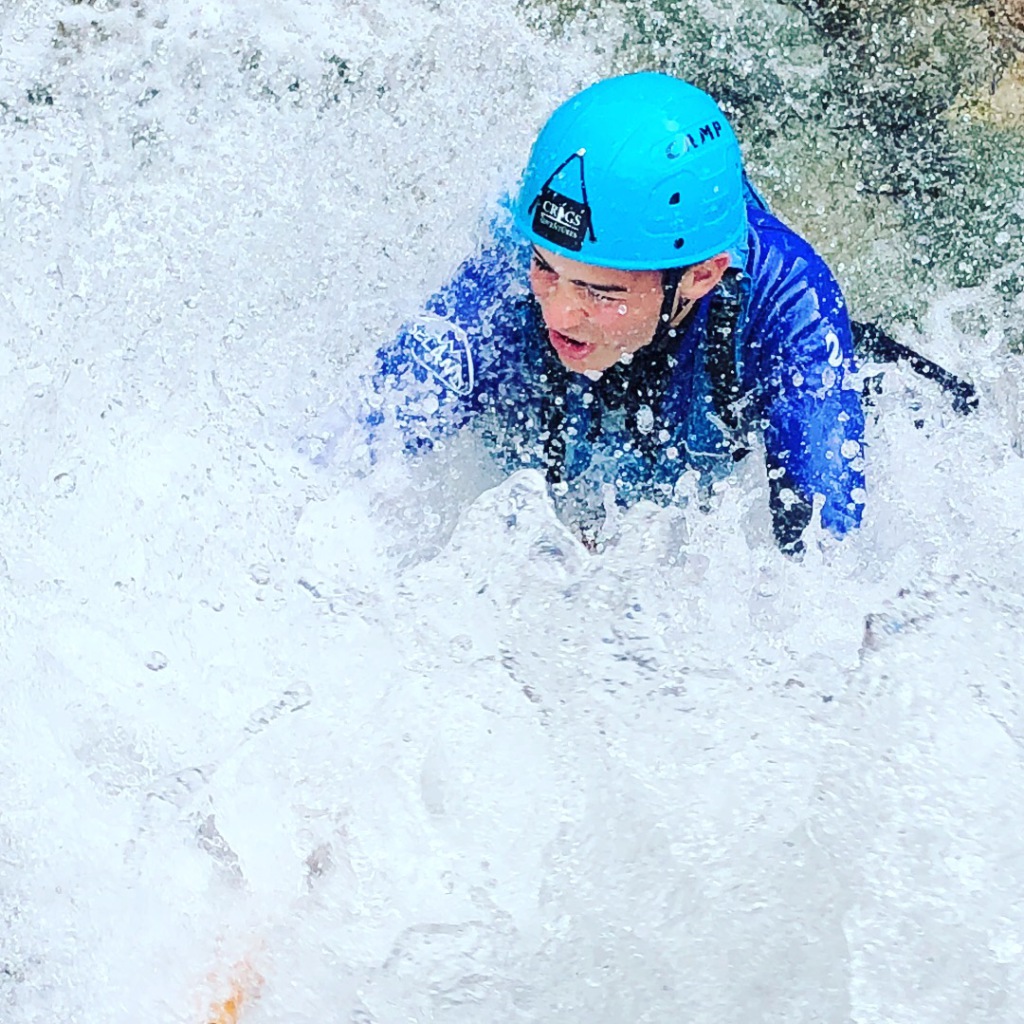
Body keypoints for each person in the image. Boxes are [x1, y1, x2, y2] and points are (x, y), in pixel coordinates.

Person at [359, 72, 868, 554]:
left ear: (700, 277)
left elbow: (828, 564)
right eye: (545, 268)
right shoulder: (504, 276)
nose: (557, 312)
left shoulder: (789, 306)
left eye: (598, 291)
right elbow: (344, 459)